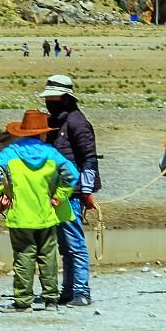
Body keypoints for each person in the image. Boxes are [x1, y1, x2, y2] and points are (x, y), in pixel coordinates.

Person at [0, 110, 79, 311]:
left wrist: (1, 195)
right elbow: (72, 174)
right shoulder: (52, 153)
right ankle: (51, 300)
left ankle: (23, 301)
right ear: (43, 133)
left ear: (23, 132)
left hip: (20, 216)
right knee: (48, 257)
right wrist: (59, 196)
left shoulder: (10, 153)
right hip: (46, 214)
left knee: (24, 257)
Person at [39, 74, 98, 306]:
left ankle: (82, 291)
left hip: (71, 193)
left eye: (52, 98)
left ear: (64, 99)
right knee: (65, 245)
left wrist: (86, 191)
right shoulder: (58, 122)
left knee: (75, 244)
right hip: (57, 192)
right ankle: (68, 290)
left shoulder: (77, 123)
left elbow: (89, 160)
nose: (48, 102)